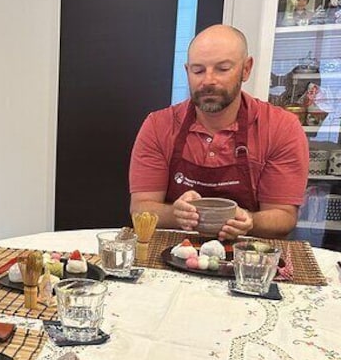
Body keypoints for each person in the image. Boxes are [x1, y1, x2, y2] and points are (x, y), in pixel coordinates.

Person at [129, 24, 308, 240]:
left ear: (246, 69)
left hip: (247, 259)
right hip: (173, 250)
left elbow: (284, 217)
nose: (208, 81)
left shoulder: (280, 127)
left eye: (222, 69)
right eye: (198, 70)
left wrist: (250, 221)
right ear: (187, 71)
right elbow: (140, 209)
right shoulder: (158, 126)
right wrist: (176, 214)